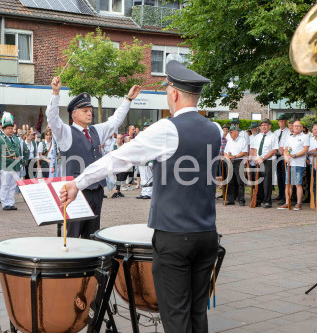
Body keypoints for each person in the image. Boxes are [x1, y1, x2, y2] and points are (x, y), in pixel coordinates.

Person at [60, 60, 221, 333]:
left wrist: (78, 182)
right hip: (207, 234)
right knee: (197, 313)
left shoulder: (167, 129)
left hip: (174, 236)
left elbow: (119, 159)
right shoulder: (215, 129)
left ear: (174, 93)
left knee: (176, 316)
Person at [46, 76, 141, 238]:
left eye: (90, 110)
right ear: (74, 114)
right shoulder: (66, 133)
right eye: (85, 111)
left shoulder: (95, 131)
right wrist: (55, 93)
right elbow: (52, 118)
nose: (90, 113)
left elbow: (115, 121)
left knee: (92, 235)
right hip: (76, 192)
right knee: (73, 236)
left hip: (97, 191)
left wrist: (128, 99)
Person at [0, 112, 25, 211]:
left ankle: (11, 202)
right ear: (4, 129)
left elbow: (18, 152)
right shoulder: (0, 139)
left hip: (15, 165)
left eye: (11, 128)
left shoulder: (16, 139)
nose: (10, 130)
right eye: (8, 128)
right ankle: (4, 203)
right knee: (5, 185)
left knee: (12, 186)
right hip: (5, 165)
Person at [278, 120, 309, 210]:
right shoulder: (289, 137)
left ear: (302, 128)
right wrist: (285, 156)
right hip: (290, 164)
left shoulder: (305, 137)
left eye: (299, 126)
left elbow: (305, 150)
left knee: (298, 184)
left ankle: (298, 203)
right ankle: (287, 202)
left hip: (299, 164)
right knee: (288, 184)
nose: (296, 127)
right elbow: (285, 149)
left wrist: (295, 155)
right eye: (295, 126)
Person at [253, 118, 279, 208]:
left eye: (266, 125)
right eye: (262, 125)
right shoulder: (257, 136)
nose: (264, 127)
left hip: (268, 161)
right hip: (258, 160)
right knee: (258, 181)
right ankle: (258, 200)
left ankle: (267, 201)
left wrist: (263, 158)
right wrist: (256, 157)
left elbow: (274, 150)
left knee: (267, 182)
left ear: (270, 126)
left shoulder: (273, 136)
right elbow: (255, 148)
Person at [224, 125, 249, 206]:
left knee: (240, 182)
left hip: (239, 161)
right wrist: (227, 156)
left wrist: (234, 156)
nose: (230, 133)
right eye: (229, 132)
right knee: (230, 181)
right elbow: (225, 151)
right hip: (230, 162)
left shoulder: (242, 140)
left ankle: (241, 200)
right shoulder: (229, 140)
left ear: (236, 132)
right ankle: (230, 199)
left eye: (231, 132)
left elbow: (244, 152)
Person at [273, 114, 290, 203]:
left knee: (284, 176)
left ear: (286, 122)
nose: (281, 123)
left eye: (283, 121)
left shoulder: (288, 131)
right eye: (280, 121)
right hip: (277, 155)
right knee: (279, 175)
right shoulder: (276, 132)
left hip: (284, 155)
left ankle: (285, 195)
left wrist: (283, 149)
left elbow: (287, 143)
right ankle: (280, 193)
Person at [136, 122, 153, 200]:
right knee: (143, 177)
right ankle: (143, 192)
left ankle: (149, 193)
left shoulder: (151, 139)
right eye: (144, 127)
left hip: (147, 160)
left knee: (148, 177)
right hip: (141, 160)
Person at [112, 134, 126, 198]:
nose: (119, 140)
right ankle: (118, 191)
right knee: (118, 177)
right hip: (115, 164)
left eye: (121, 138)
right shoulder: (113, 146)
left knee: (120, 177)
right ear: (116, 139)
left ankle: (117, 190)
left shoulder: (124, 146)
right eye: (118, 138)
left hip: (122, 164)